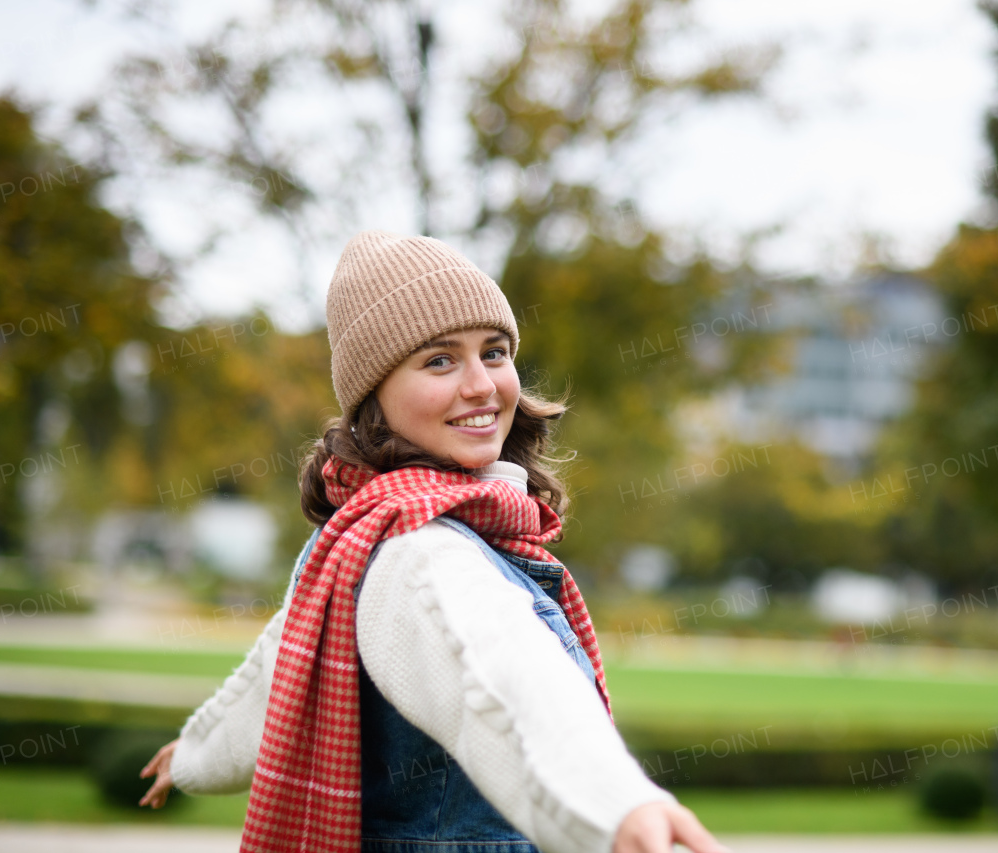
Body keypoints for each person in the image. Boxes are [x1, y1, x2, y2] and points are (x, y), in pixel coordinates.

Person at [138, 231, 727, 853]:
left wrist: (195, 754)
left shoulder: (357, 540)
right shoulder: (418, 549)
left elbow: (277, 682)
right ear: (375, 399)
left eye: (494, 352)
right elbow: (501, 676)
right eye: (440, 361)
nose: (481, 385)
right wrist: (618, 808)